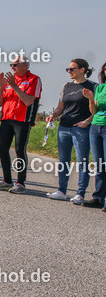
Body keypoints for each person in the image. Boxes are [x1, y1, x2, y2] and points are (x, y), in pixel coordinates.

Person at [46, 59, 96, 203]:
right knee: (64, 160)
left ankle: (80, 194)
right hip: (64, 127)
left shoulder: (92, 86)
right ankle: (62, 191)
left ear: (82, 70)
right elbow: (61, 107)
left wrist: (87, 121)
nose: (69, 71)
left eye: (72, 69)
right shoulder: (66, 86)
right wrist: (53, 115)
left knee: (82, 161)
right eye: (67, 69)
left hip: (81, 128)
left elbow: (96, 109)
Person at [0, 55, 41, 193]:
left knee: (20, 150)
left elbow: (28, 101)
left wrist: (14, 86)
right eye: (11, 65)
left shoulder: (34, 79)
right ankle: (7, 180)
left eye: (15, 65)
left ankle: (20, 183)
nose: (12, 67)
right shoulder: (8, 81)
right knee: (2, 148)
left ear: (25, 65)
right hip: (7, 118)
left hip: (22, 120)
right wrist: (1, 87)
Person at [82, 61, 106, 210]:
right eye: (105, 69)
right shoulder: (100, 88)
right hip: (96, 126)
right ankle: (98, 197)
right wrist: (91, 99)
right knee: (100, 165)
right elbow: (94, 111)